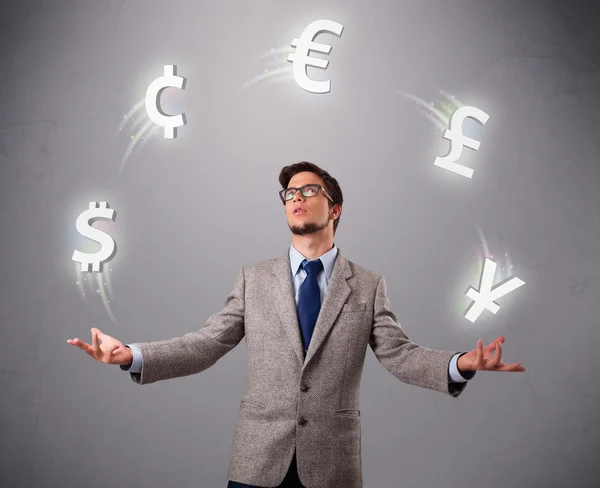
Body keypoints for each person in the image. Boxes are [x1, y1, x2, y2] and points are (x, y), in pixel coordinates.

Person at [67, 161, 526, 488]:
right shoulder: (253, 279)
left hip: (333, 467)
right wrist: (133, 353)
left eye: (309, 191)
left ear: (336, 208)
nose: (297, 198)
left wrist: (460, 362)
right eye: (290, 193)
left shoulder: (366, 285)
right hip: (257, 462)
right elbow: (206, 343)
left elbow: (399, 354)